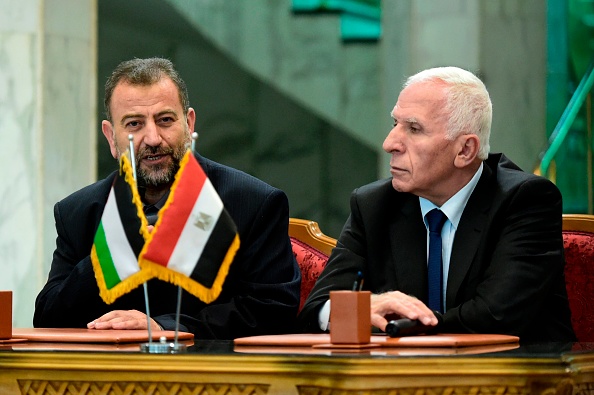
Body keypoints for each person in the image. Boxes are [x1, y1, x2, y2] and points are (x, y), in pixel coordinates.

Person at [298, 66, 576, 342]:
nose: (389, 143)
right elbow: (315, 311)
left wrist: (400, 325)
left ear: (465, 150)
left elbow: (495, 317)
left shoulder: (525, 200)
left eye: (414, 129)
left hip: (512, 377)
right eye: (395, 124)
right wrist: (365, 307)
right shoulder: (374, 205)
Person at [34, 57, 301, 339]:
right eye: (134, 124)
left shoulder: (254, 203)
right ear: (112, 138)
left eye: (165, 120)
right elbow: (48, 318)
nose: (152, 138)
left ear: (188, 123)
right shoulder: (78, 212)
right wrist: (105, 257)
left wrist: (167, 326)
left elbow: (273, 311)